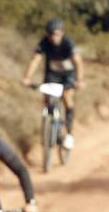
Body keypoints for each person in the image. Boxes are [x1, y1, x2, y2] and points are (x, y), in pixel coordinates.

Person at [22, 18, 84, 149]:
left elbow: (78, 62)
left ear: (62, 33)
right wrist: (27, 78)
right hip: (52, 75)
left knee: (67, 96)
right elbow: (35, 59)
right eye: (50, 34)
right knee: (47, 98)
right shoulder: (44, 43)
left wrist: (79, 80)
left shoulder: (68, 43)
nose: (53, 37)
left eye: (56, 34)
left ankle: (69, 133)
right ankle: (49, 125)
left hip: (68, 76)